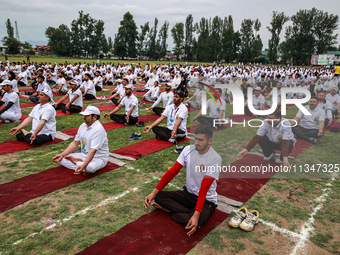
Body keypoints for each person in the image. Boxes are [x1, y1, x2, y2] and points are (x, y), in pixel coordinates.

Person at [144, 125, 222, 236]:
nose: (196, 142)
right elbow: (172, 172)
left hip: (206, 200)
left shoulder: (215, 158)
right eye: (196, 139)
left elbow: (204, 188)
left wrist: (196, 215)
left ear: (210, 141)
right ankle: (188, 213)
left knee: (196, 221)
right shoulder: (187, 150)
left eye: (200, 140)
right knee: (159, 197)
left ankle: (172, 211)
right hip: (188, 194)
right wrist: (153, 193)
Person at [52, 106, 109, 175]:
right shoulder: (83, 126)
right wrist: (62, 154)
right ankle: (81, 166)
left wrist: (84, 165)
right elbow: (75, 143)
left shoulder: (98, 129)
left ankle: (78, 163)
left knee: (89, 168)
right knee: (62, 159)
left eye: (87, 115)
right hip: (83, 155)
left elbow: (93, 150)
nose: (84, 117)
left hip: (98, 158)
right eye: (84, 115)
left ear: (95, 117)